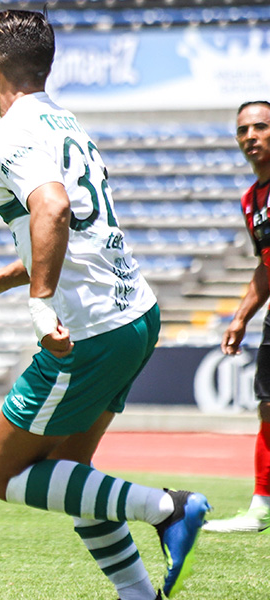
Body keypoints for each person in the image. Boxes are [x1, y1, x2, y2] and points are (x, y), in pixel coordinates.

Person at [0, 10, 209, 600]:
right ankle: (138, 594)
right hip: (135, 314)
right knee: (68, 470)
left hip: (89, 329)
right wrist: (6, 277)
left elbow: (55, 210)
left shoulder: (8, 132)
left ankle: (170, 509)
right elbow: (74, 228)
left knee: (2, 473)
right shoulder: (66, 123)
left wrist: (39, 303)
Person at [202, 100, 270, 534]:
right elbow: (265, 265)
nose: (251, 137)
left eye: (261, 127)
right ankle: (261, 507)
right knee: (267, 405)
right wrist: (241, 316)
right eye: (244, 130)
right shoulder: (252, 199)